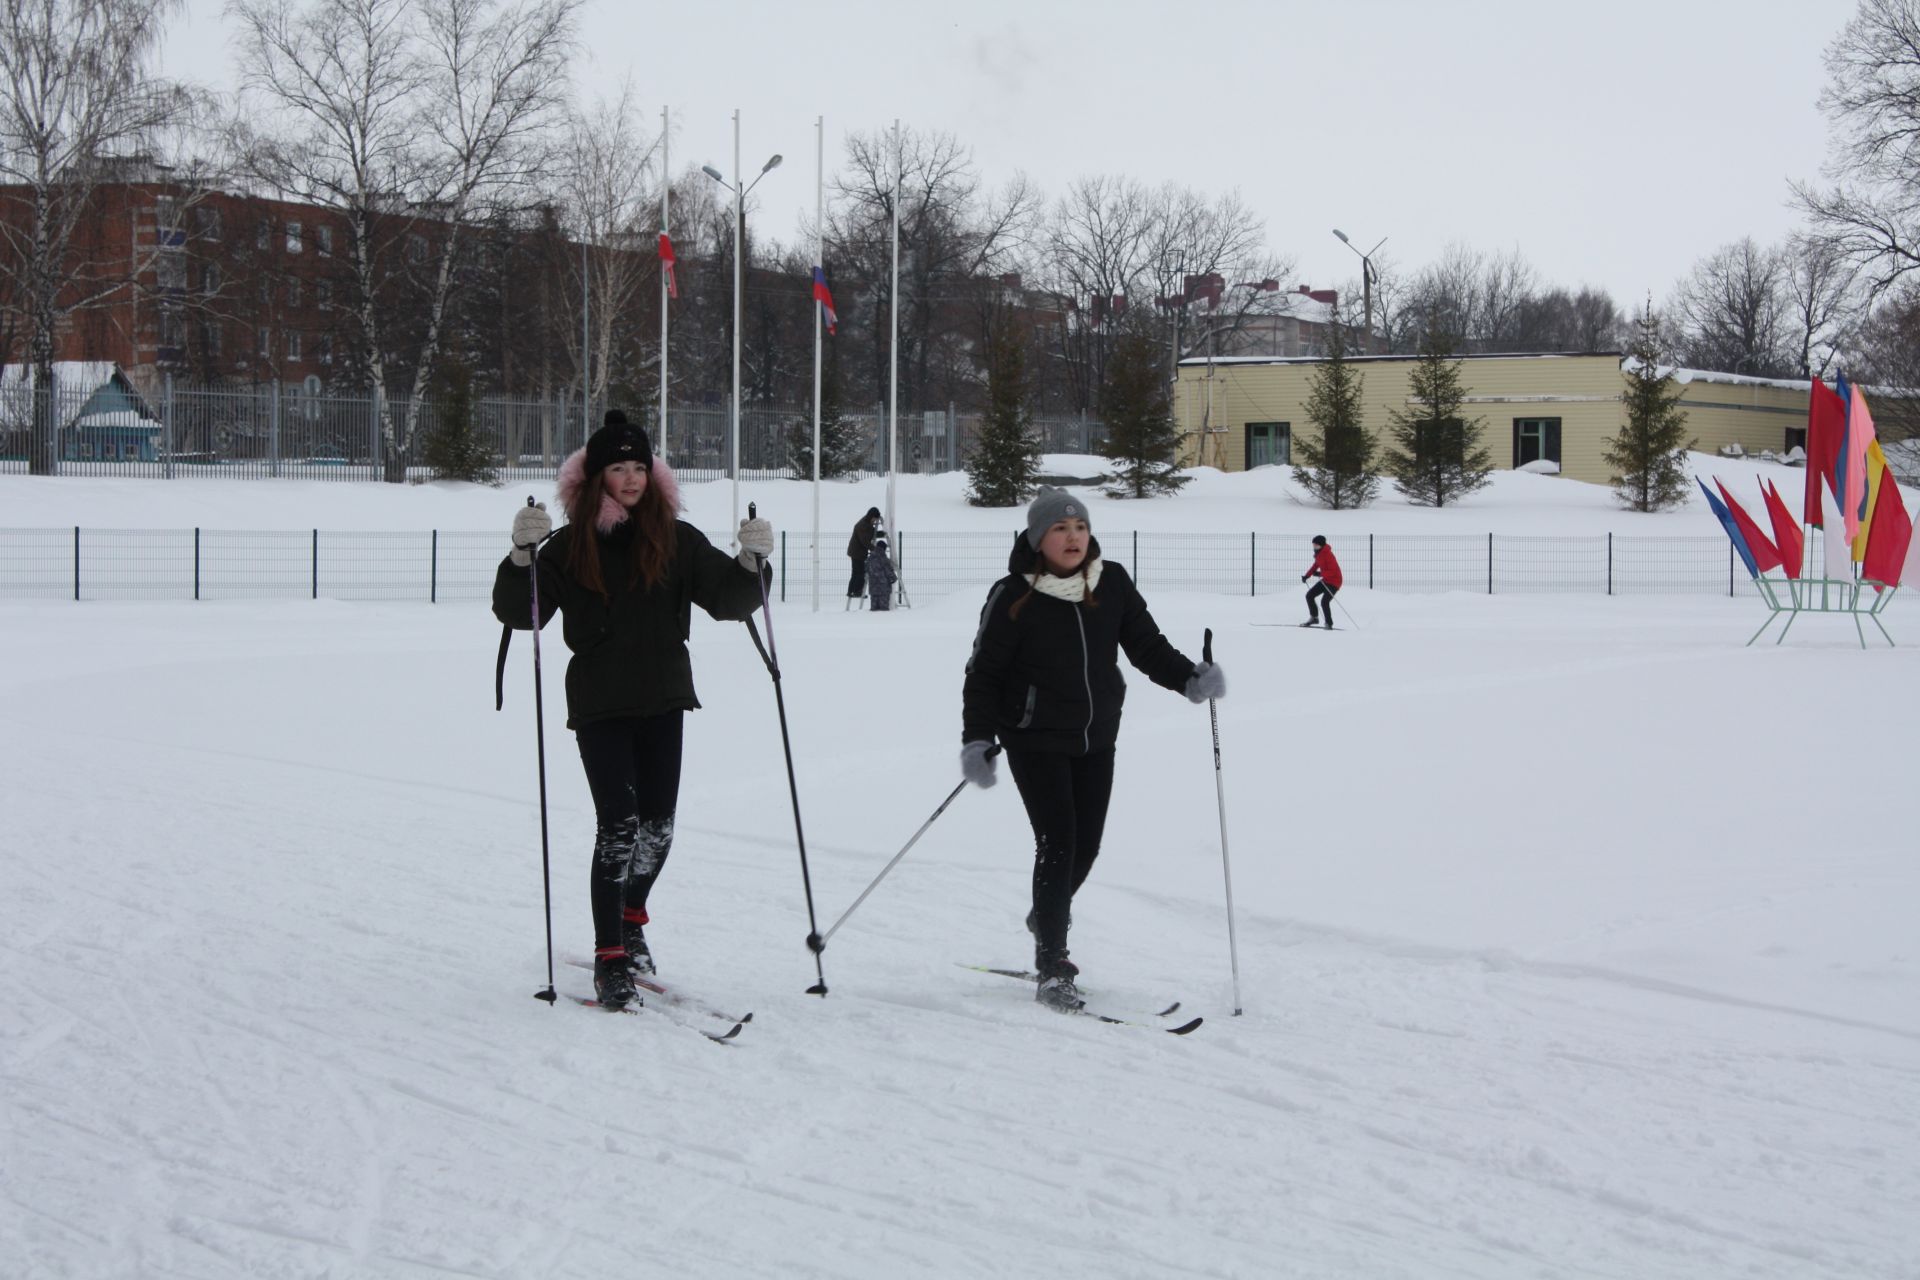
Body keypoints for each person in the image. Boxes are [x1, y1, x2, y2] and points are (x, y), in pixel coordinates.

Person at [493, 410, 774, 1011]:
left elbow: (727, 600)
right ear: (595, 478)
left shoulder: (674, 538)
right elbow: (524, 613)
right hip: (600, 702)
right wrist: (521, 556)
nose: (630, 478)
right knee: (618, 825)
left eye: (639, 467)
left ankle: (632, 918)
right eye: (617, 468)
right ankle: (609, 956)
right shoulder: (570, 545)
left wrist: (751, 564)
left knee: (658, 825)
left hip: (665, 696)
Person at [958, 488, 1226, 1012]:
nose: (1073, 537)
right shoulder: (1014, 595)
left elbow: (1147, 646)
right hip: (1034, 738)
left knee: (1087, 846)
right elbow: (983, 674)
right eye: (1060, 529)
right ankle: (1053, 963)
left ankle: (1046, 913)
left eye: (1079, 527)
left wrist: (1190, 677)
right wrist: (977, 739)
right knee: (1058, 840)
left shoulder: (1112, 583)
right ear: (1039, 539)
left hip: (1095, 735)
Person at [1301, 534, 1343, 629]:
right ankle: (1314, 618)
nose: (1314, 547)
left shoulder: (1328, 555)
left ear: (1321, 545)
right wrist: (1307, 575)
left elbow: (1333, 571)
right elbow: (1315, 566)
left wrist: (1320, 574)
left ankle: (1329, 623)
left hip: (1335, 581)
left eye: (1316, 545)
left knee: (1324, 601)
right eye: (1313, 545)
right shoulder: (1319, 554)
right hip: (1326, 579)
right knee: (1309, 595)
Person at [846, 507, 883, 604]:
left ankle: (851, 591)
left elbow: (869, 535)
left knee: (856, 572)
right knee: (859, 572)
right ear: (871, 516)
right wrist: (875, 549)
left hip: (857, 551)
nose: (875, 521)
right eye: (874, 519)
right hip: (857, 552)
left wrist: (879, 534)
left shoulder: (867, 523)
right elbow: (864, 541)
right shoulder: (862, 525)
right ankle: (856, 591)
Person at [866, 530, 897, 611]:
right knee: (883, 611)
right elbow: (888, 571)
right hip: (883, 588)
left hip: (873, 588)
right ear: (884, 548)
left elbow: (866, 570)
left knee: (874, 610)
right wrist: (894, 578)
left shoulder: (870, 558)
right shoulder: (884, 558)